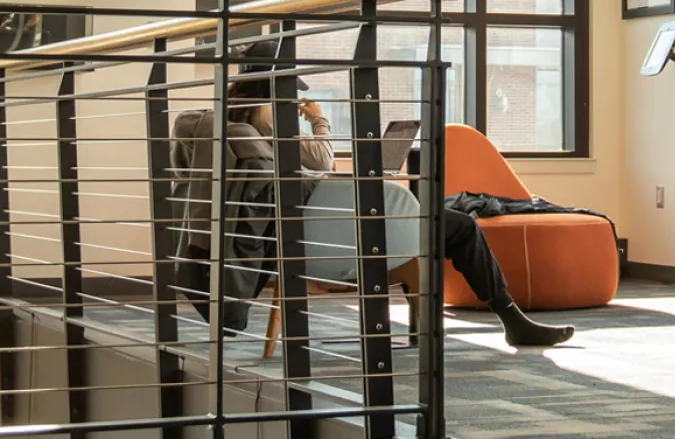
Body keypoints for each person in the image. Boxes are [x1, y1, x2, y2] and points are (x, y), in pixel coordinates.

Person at [172, 40, 575, 347]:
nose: (294, 100)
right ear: (271, 89)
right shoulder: (269, 128)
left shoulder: (226, 129)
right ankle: (513, 322)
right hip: (343, 235)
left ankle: (514, 321)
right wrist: (319, 120)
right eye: (290, 90)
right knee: (462, 226)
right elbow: (324, 159)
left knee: (447, 214)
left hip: (311, 231)